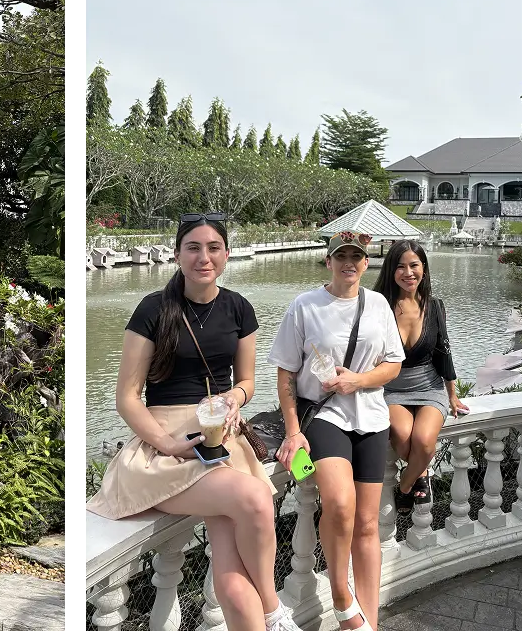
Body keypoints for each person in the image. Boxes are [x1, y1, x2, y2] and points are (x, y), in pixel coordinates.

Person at [86, 213, 299, 631]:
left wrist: (235, 397)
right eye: (193, 247)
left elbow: (249, 381)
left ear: (227, 253)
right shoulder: (153, 309)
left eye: (213, 247)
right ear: (178, 253)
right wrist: (169, 445)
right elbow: (127, 397)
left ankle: (264, 619)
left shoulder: (239, 307)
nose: (204, 257)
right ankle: (275, 611)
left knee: (233, 572)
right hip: (166, 445)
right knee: (255, 499)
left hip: (223, 438)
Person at [269, 231, 404, 631]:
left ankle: (370, 621)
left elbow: (393, 364)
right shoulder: (305, 306)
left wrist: (357, 381)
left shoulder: (378, 304)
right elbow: (285, 373)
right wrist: (293, 432)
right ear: (328, 261)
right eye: (340, 256)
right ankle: (342, 595)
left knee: (368, 524)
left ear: (366, 263)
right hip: (325, 417)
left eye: (356, 257)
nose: (349, 263)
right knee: (340, 505)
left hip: (372, 417)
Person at [373, 239, 468, 514]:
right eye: (400, 266)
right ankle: (422, 475)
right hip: (391, 389)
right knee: (403, 434)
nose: (408, 272)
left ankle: (405, 485)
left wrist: (452, 393)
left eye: (414, 265)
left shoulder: (435, 307)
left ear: (423, 269)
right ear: (391, 271)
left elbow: (444, 352)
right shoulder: (378, 307)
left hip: (428, 386)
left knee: (425, 441)